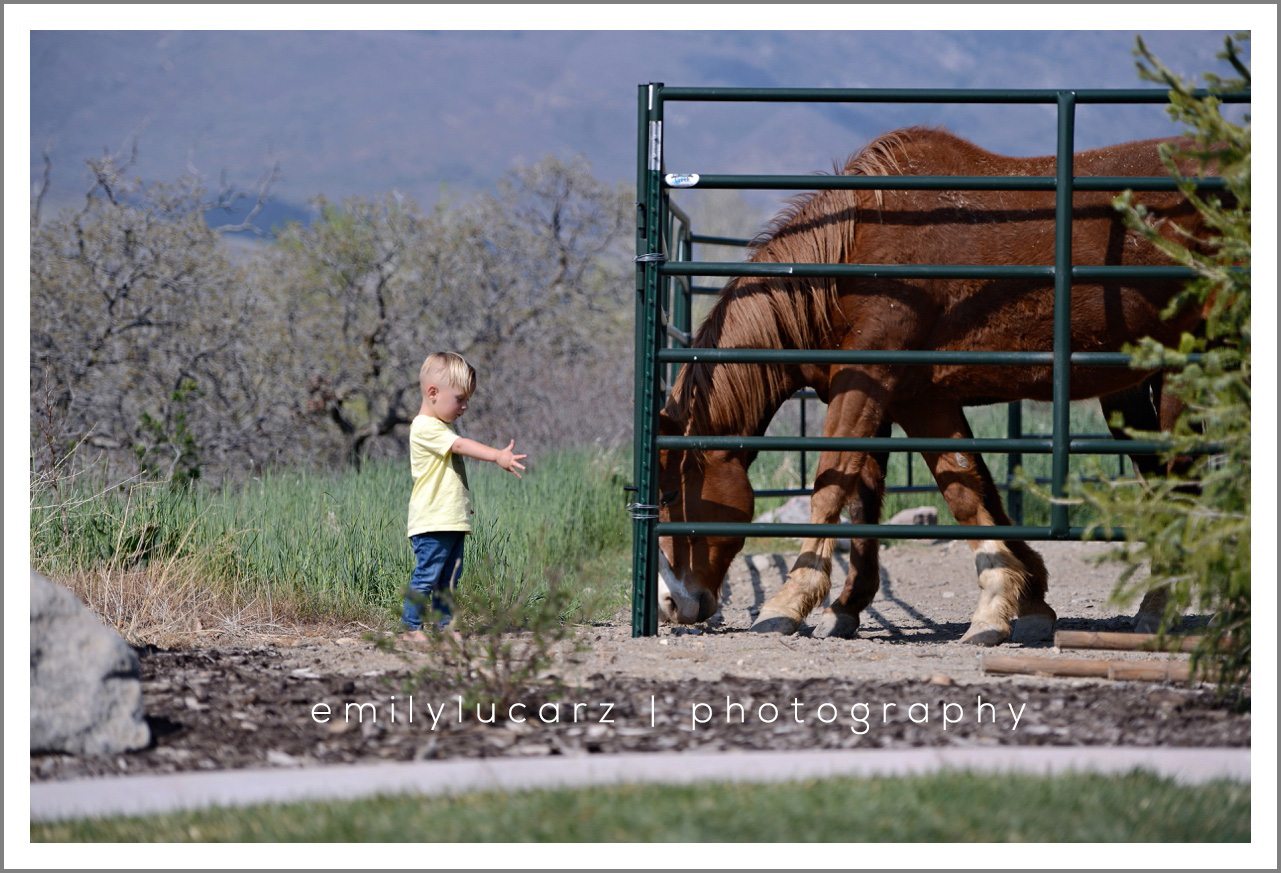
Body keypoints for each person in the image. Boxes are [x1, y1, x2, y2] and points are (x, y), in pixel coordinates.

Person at [401, 352, 526, 642]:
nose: (465, 406)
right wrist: (496, 455)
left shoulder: (440, 427)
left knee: (449, 578)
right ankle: (411, 628)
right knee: (427, 575)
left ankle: (445, 626)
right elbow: (459, 446)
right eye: (459, 399)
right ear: (433, 393)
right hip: (432, 521)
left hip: (450, 520)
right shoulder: (424, 427)